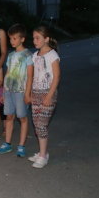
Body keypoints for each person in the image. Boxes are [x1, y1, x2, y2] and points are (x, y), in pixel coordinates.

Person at [0, 24, 34, 157]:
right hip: (9, 91)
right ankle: (7, 144)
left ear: (22, 39)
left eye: (14, 38)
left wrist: (27, 94)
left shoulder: (28, 55)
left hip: (20, 92)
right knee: (9, 117)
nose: (12, 41)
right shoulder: (11, 55)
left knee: (22, 118)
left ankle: (21, 145)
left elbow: (30, 76)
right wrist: (3, 92)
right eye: (10, 38)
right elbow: (7, 74)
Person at [28, 25, 60, 168]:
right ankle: (42, 152)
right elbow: (32, 75)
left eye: (37, 38)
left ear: (46, 39)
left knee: (41, 124)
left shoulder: (52, 54)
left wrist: (49, 96)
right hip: (36, 93)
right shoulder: (35, 56)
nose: (34, 41)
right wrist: (29, 93)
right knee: (37, 124)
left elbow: (57, 76)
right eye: (33, 38)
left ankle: (43, 156)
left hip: (48, 94)